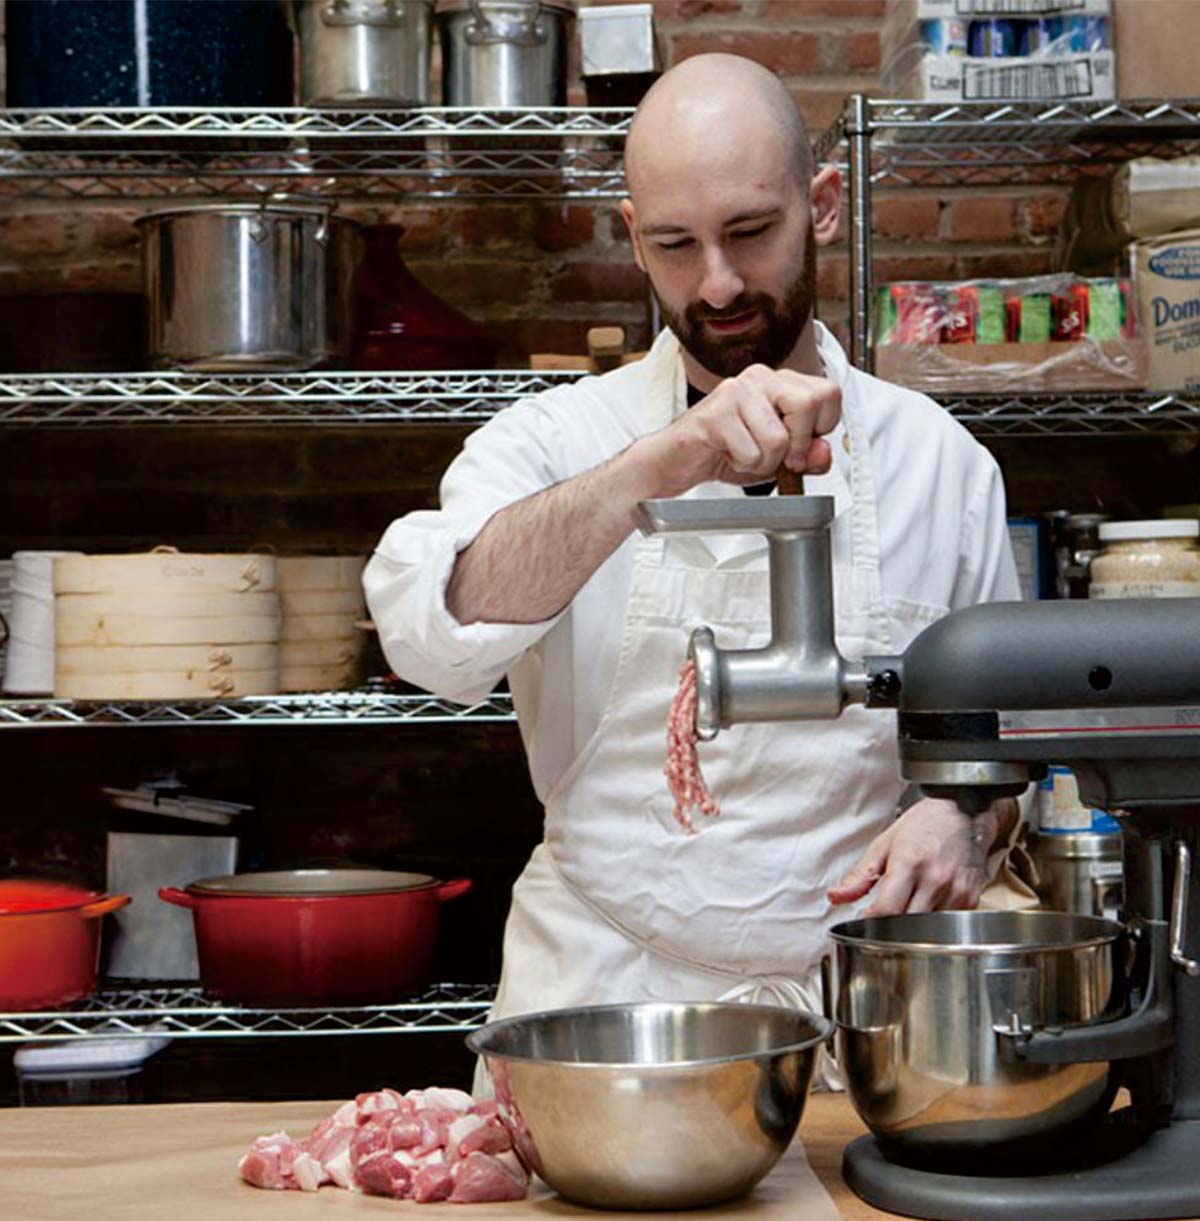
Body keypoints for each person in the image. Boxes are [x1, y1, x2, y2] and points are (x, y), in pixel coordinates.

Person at [364, 54, 1021, 1078]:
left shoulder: (941, 462)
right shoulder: (555, 441)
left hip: (866, 1020)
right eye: (675, 245)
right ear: (633, 238)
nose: (715, 284)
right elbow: (429, 635)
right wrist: (668, 460)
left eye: (751, 234)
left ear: (825, 206)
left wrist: (963, 812)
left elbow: (1007, 737)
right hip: (607, 1009)